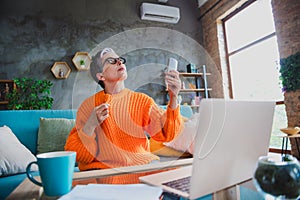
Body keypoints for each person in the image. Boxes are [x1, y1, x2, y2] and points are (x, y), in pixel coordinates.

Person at [65, 48, 184, 171]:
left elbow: (167, 135)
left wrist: (174, 96)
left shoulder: (142, 101)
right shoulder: (88, 106)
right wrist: (90, 125)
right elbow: (80, 156)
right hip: (105, 173)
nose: (119, 62)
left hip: (141, 167)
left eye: (119, 59)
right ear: (101, 76)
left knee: (176, 175)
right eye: (111, 61)